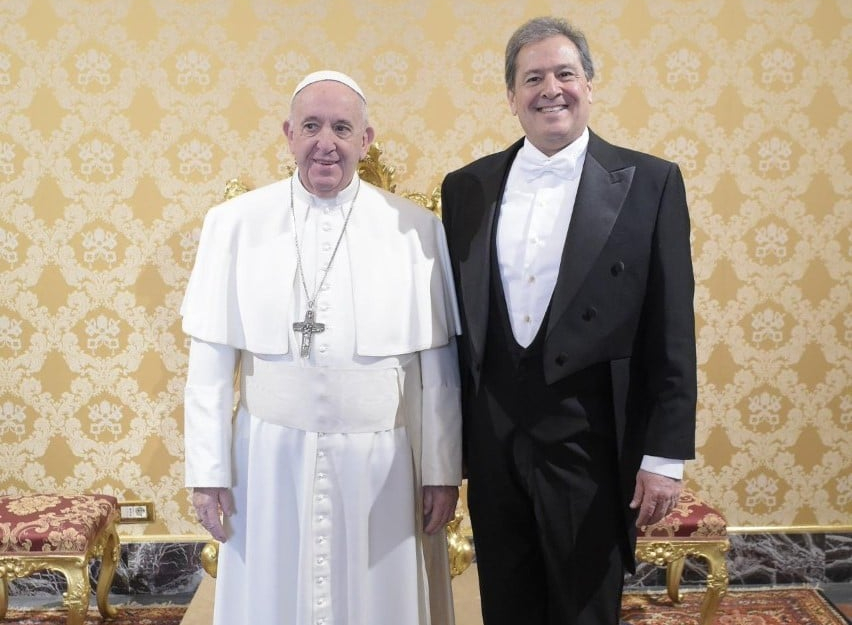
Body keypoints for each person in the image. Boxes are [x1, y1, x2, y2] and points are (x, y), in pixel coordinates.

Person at [440, 16, 697, 625]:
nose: (550, 89)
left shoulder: (651, 182)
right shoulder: (465, 187)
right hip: (494, 442)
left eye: (565, 73)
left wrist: (664, 457)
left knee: (585, 609)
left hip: (592, 442)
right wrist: (447, 449)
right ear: (511, 97)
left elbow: (671, 326)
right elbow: (454, 329)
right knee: (507, 604)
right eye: (532, 78)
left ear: (590, 85)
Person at [182, 70, 462, 625]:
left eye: (342, 128)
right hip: (268, 461)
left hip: (381, 466)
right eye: (311, 126)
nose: (325, 143)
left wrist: (441, 471)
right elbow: (209, 367)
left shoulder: (417, 230)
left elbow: (439, 372)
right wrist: (208, 473)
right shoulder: (233, 225)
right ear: (289, 134)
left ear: (366, 139)